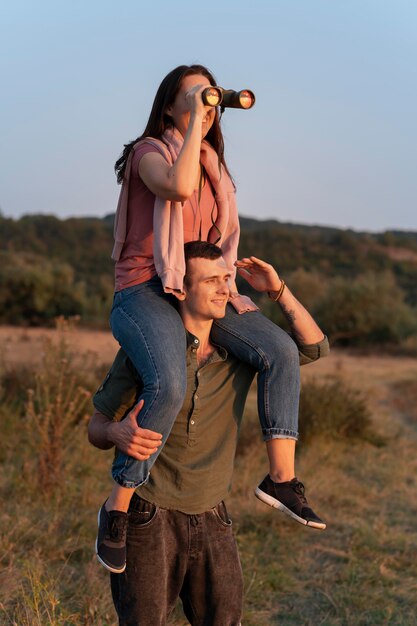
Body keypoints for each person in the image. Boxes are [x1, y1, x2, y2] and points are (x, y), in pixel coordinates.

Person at [101, 63, 318, 573]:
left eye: (210, 97)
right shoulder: (148, 153)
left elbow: (215, 241)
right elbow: (174, 190)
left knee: (280, 351)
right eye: (193, 96)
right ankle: (118, 506)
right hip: (146, 289)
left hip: (197, 286)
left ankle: (280, 480)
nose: (206, 104)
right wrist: (199, 115)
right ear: (169, 105)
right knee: (170, 384)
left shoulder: (211, 163)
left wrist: (238, 285)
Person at [88, 242, 329, 625]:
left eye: (226, 279)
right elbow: (96, 427)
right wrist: (117, 433)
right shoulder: (149, 353)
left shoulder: (245, 352)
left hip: (214, 515)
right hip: (147, 515)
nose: (225, 289)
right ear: (181, 289)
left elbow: (313, 348)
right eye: (212, 281)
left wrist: (278, 289)